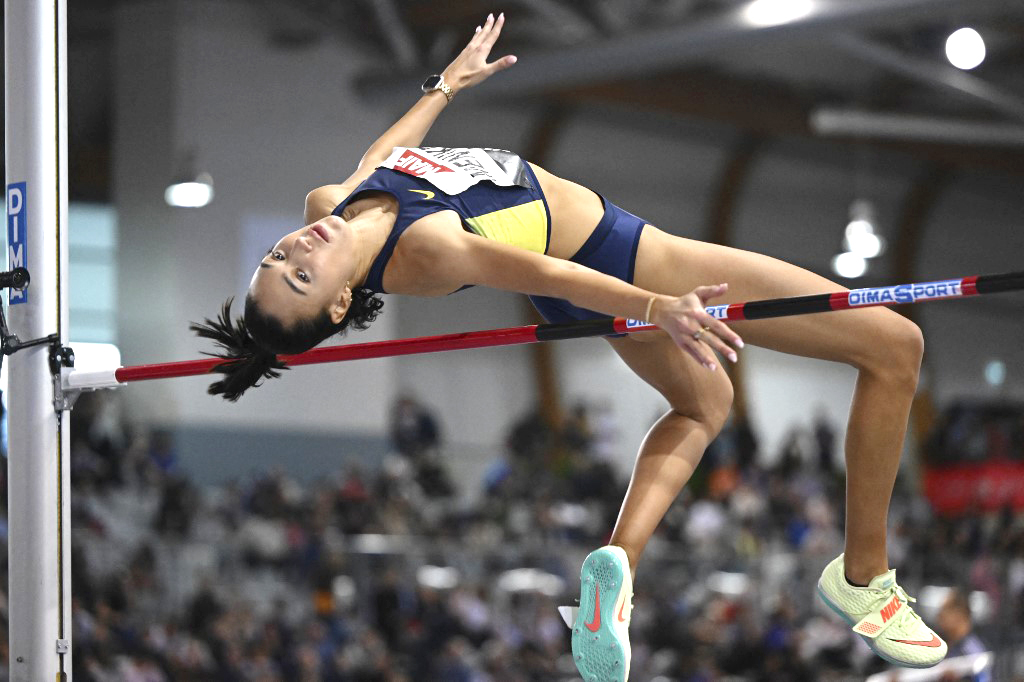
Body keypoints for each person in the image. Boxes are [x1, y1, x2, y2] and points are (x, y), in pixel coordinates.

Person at [191, 14, 945, 680]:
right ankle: (863, 576)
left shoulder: (332, 205)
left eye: (276, 260)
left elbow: (383, 154)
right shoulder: (429, 250)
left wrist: (444, 86)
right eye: (298, 276)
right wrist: (658, 304)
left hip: (588, 267)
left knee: (705, 403)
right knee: (894, 345)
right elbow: (548, 271)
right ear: (339, 301)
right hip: (625, 260)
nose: (293, 251)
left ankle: (618, 564)